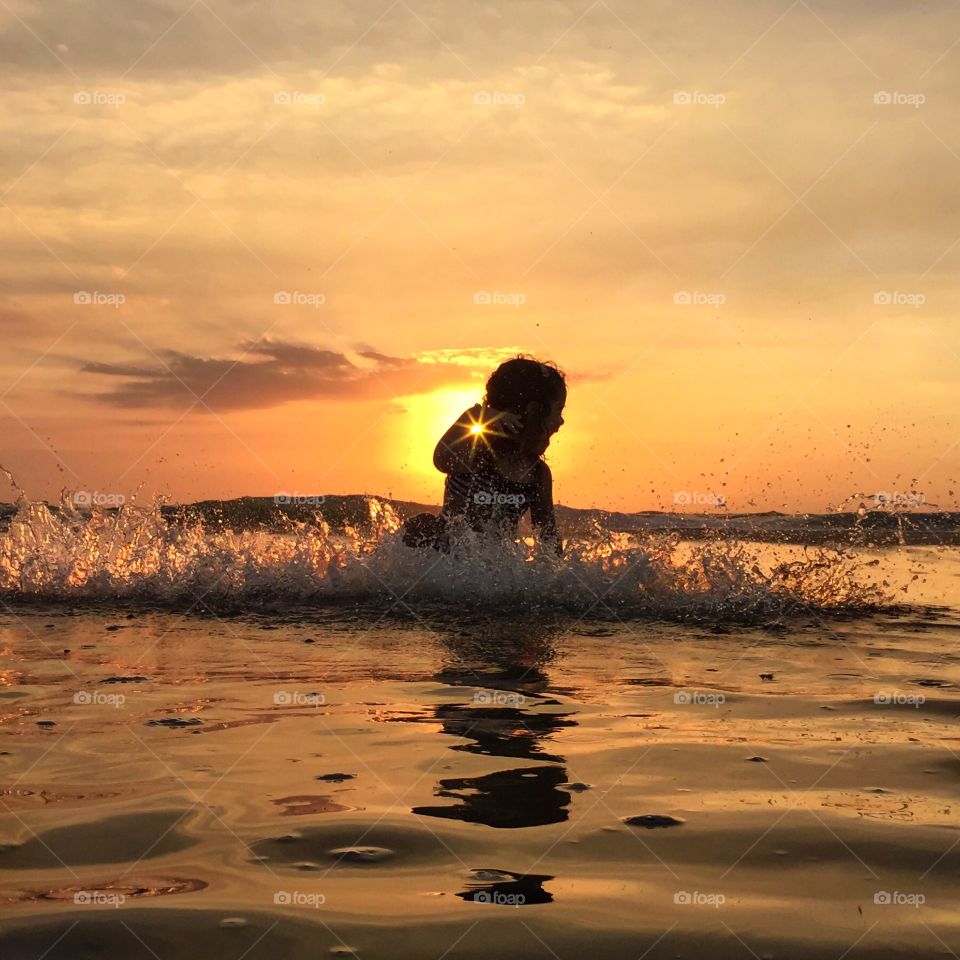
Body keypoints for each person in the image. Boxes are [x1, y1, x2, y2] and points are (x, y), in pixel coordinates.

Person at [402, 356, 566, 556]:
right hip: (444, 552)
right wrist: (474, 415)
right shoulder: (476, 455)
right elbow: (441, 459)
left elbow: (548, 535)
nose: (561, 421)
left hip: (491, 562)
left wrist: (563, 572)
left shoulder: (537, 474)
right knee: (421, 525)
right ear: (533, 410)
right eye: (558, 410)